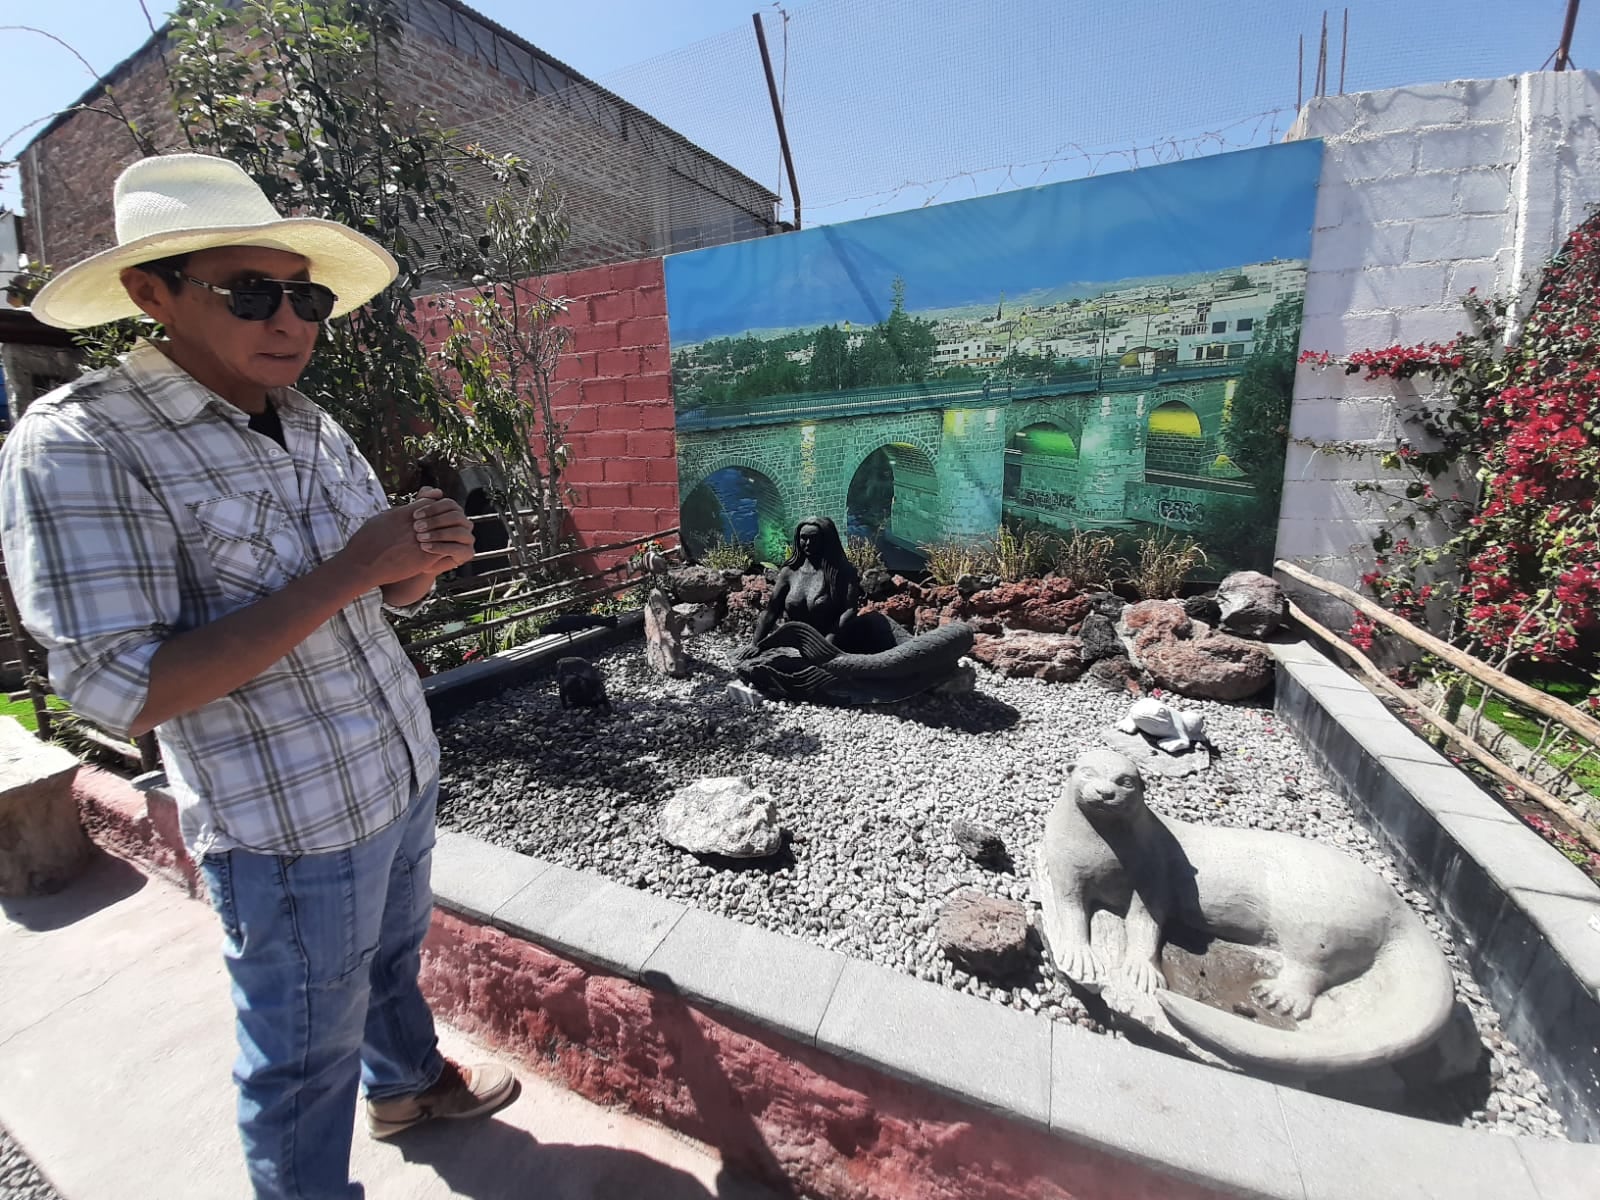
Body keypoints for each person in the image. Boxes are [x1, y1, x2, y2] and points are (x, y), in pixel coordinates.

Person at [0, 153, 516, 1199]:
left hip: (396, 771)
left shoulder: (309, 421)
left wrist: (414, 570)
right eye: (251, 293)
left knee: (387, 965)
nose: (291, 320)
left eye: (307, 295)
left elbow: (380, 599)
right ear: (153, 294)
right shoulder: (80, 444)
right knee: (297, 1060)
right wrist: (351, 569)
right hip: (286, 829)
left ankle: (409, 1083)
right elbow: (123, 689)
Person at [745, 515, 861, 649]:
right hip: (795, 645)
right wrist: (755, 644)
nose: (808, 543)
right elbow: (771, 611)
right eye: (804, 538)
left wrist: (827, 645)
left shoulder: (842, 572)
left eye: (814, 538)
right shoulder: (789, 572)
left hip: (831, 646)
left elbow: (850, 611)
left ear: (826, 540)